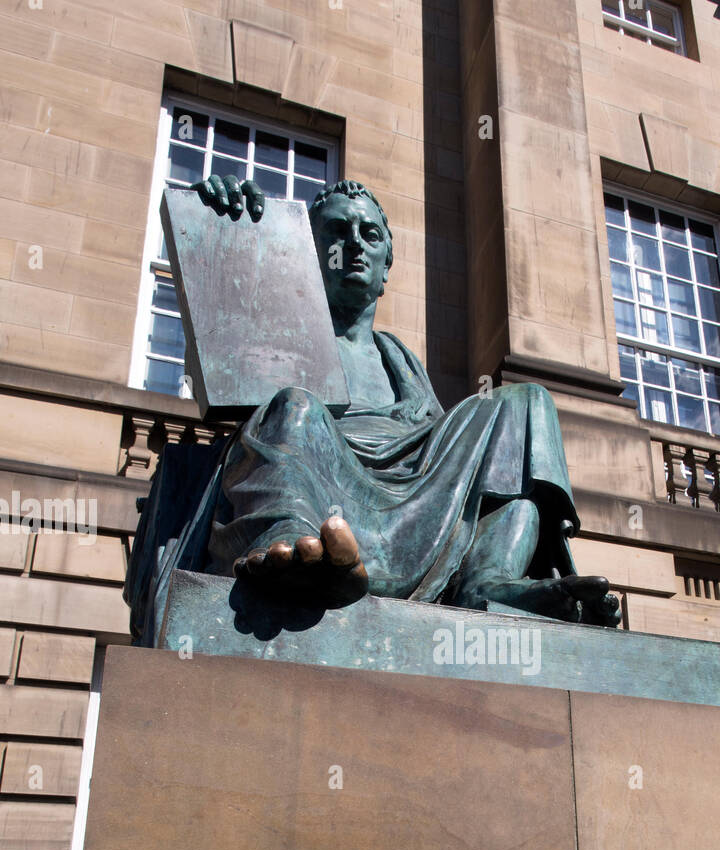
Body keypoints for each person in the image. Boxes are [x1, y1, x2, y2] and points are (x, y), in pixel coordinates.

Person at [191, 174, 621, 626]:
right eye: (337, 232)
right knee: (295, 406)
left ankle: (487, 578)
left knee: (524, 403)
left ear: (385, 266)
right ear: (308, 255)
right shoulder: (280, 335)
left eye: (369, 234)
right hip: (324, 490)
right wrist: (230, 227)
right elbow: (230, 368)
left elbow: (444, 454)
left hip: (418, 490)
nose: (354, 244)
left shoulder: (399, 357)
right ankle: (298, 549)